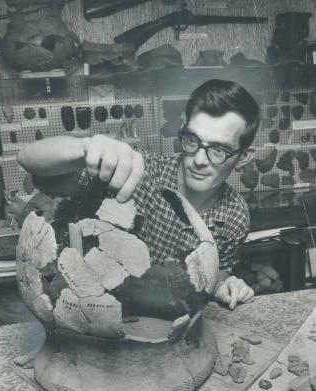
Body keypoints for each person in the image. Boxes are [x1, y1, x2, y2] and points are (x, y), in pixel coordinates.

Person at [18, 79, 260, 310]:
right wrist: (86, 146)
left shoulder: (235, 214)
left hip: (173, 330)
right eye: (192, 140)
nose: (198, 160)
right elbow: (29, 159)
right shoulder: (138, 173)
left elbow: (215, 278)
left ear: (244, 158)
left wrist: (224, 286)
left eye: (218, 150)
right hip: (104, 318)